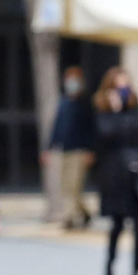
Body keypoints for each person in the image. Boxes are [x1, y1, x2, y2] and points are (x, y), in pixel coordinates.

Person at [89, 67, 138, 275]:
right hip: (115, 177)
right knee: (117, 225)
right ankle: (110, 265)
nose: (123, 91)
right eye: (119, 87)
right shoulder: (103, 111)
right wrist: (116, 111)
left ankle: (136, 271)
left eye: (126, 86)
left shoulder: (137, 109)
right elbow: (104, 138)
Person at [44, 66, 96, 229]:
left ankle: (69, 218)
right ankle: (84, 212)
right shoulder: (63, 102)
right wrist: (49, 148)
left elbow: (91, 128)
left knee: (74, 185)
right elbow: (57, 126)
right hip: (65, 150)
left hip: (80, 151)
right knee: (67, 186)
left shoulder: (85, 103)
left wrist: (91, 150)